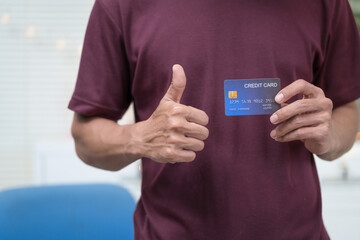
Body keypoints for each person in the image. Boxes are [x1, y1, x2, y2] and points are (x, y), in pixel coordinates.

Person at [68, 0, 360, 239]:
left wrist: (331, 135)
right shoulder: (121, 5)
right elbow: (85, 137)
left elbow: (346, 108)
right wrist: (138, 138)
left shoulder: (326, 4)